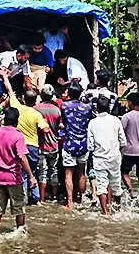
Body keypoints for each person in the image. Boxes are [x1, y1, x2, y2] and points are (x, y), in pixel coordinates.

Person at [0, 107, 37, 235]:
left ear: (4, 119)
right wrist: (31, 176)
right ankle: (20, 236)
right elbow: (22, 157)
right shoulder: (18, 136)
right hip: (13, 178)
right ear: (17, 121)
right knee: (19, 208)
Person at [0, 71, 49, 205]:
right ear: (34, 101)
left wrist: (5, 76)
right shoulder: (36, 114)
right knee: (32, 172)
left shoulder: (17, 107)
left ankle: (23, 199)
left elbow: (10, 91)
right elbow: (46, 129)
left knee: (21, 174)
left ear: (23, 99)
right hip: (33, 146)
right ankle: (36, 199)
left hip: (19, 146)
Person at [88, 96, 127, 215]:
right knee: (116, 185)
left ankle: (105, 213)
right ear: (109, 107)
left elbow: (90, 146)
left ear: (97, 108)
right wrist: (116, 151)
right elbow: (123, 141)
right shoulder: (116, 121)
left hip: (99, 159)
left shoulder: (92, 123)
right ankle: (118, 211)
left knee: (101, 187)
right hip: (115, 157)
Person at [60, 82, 92, 210]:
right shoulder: (87, 107)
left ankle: (70, 202)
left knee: (68, 174)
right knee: (81, 173)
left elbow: (64, 121)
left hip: (69, 144)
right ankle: (81, 199)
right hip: (83, 144)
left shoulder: (64, 106)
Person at [34, 84, 61, 202]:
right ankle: (54, 196)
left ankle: (42, 199)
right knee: (54, 170)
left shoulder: (36, 109)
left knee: (42, 173)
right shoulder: (57, 110)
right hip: (54, 145)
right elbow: (59, 126)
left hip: (41, 145)